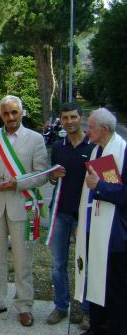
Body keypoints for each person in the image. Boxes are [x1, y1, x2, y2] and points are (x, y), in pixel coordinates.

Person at [0, 95, 48, 327]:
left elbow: (42, 174)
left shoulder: (35, 139)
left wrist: (18, 183)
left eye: (14, 112)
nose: (10, 117)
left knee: (22, 258)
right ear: (1, 115)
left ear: (22, 112)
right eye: (6, 113)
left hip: (22, 205)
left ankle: (24, 305)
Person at [75, 108, 127, 335]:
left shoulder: (123, 152)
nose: (87, 131)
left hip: (117, 233)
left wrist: (101, 187)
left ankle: (116, 328)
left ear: (104, 129)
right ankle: (97, 326)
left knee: (116, 286)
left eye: (91, 127)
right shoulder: (96, 150)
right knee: (96, 279)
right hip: (95, 227)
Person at [46, 103, 93, 327]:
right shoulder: (58, 147)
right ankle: (61, 306)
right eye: (65, 118)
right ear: (61, 121)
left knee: (86, 263)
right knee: (58, 264)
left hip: (85, 216)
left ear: (81, 118)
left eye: (73, 117)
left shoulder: (94, 147)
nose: (69, 121)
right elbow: (52, 180)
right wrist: (54, 176)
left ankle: (86, 310)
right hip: (60, 214)